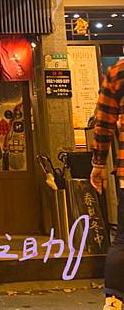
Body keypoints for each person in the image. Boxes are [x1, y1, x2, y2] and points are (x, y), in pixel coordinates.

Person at [90, 59, 124, 310]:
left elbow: (103, 123)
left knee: (123, 240)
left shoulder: (118, 71)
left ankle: (113, 301)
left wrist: (98, 164)